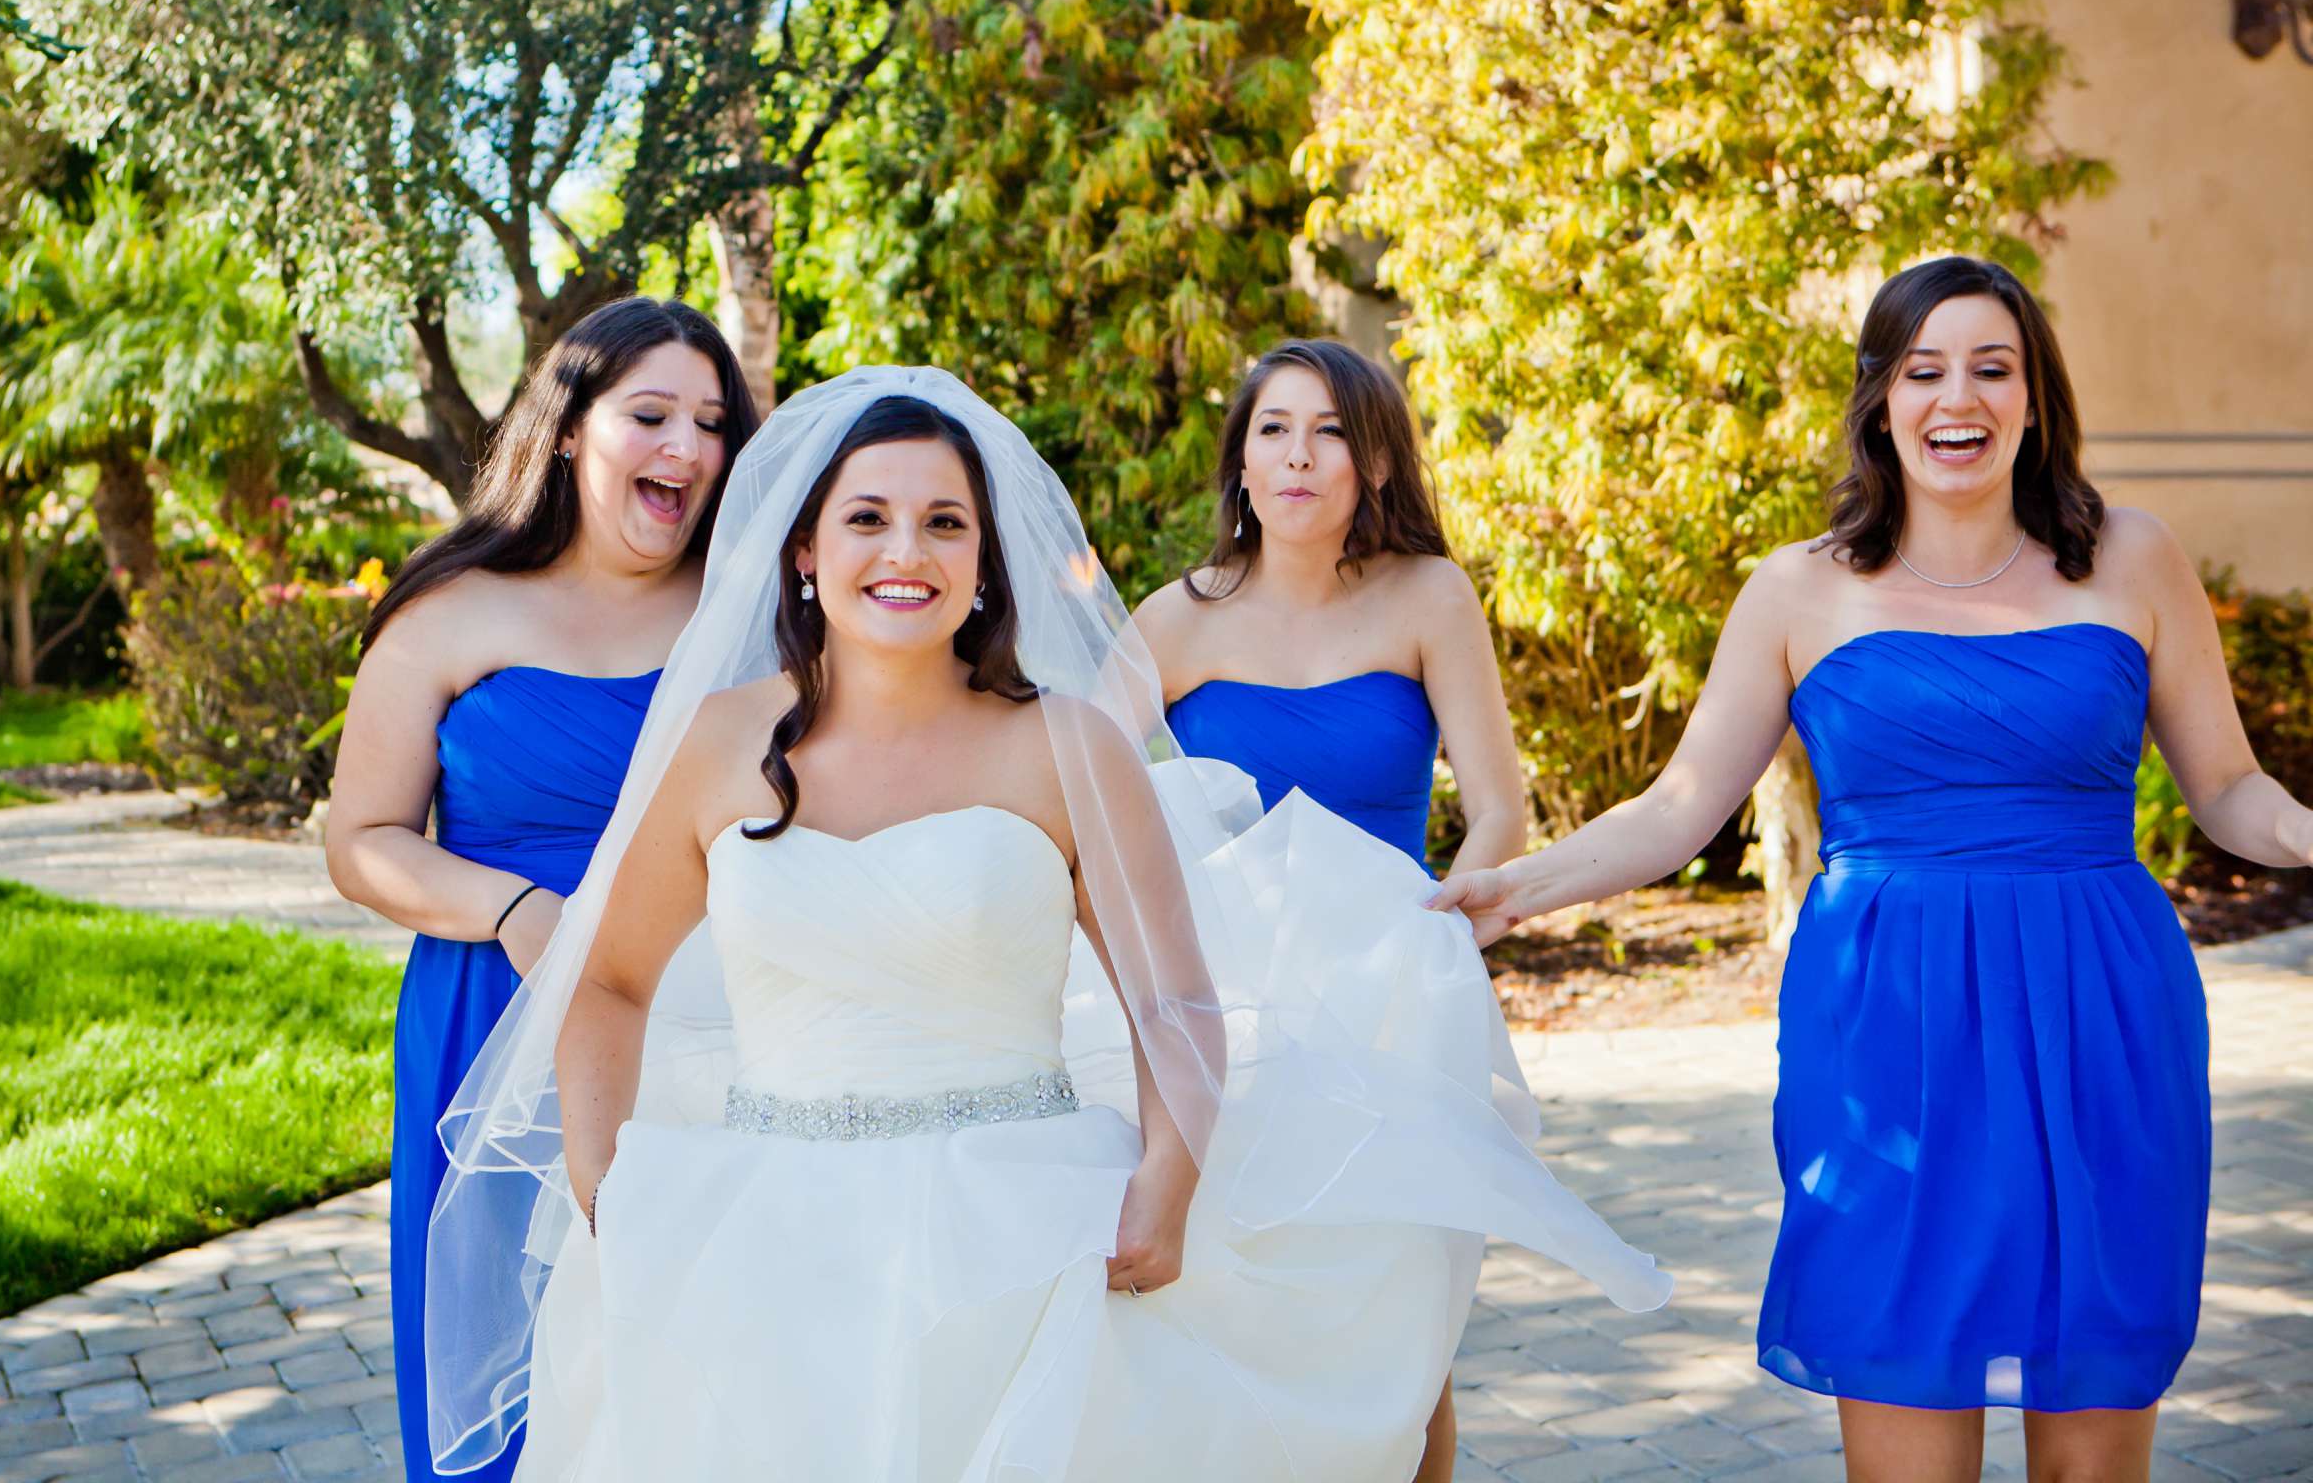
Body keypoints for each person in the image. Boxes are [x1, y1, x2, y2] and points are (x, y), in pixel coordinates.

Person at [423, 367, 1669, 1482]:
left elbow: (1170, 1001)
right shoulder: (718, 744)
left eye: (943, 522)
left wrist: (1169, 1181)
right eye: (867, 517)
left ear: (983, 564)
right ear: (805, 550)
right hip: (766, 1237)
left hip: (1023, 1235)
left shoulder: (1066, 744)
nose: (904, 548)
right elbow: (614, 985)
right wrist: (612, 1190)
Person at [1430, 256, 2313, 1483]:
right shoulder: (1801, 588)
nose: (1960, 397)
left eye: (1993, 367)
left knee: (2095, 1449)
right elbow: (1684, 802)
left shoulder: (2133, 558)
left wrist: (2305, 829)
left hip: (2102, 1013)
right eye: (1925, 370)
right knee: (1904, 1437)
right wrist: (1518, 887)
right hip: (1888, 1032)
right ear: (1882, 402)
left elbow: (2226, 786)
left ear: (2035, 397)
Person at [324, 296, 756, 1483]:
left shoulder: (750, 617)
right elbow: (359, 838)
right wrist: (515, 911)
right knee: (505, 1357)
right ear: (570, 429)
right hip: (491, 1014)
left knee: (691, 1363)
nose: (687, 449)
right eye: (651, 414)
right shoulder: (452, 608)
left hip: (705, 1016)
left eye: (712, 424)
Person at [1136, 338, 1529, 1479]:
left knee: (1404, 1332)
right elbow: (1074, 793)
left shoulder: (1427, 596)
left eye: (1329, 433)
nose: (1299, 456)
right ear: (1241, 463)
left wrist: (1449, 928)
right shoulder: (1178, 619)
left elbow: (1499, 808)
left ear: (1372, 464)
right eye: (1274, 430)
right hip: (1229, 1021)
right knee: (1236, 1311)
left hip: (1393, 1010)